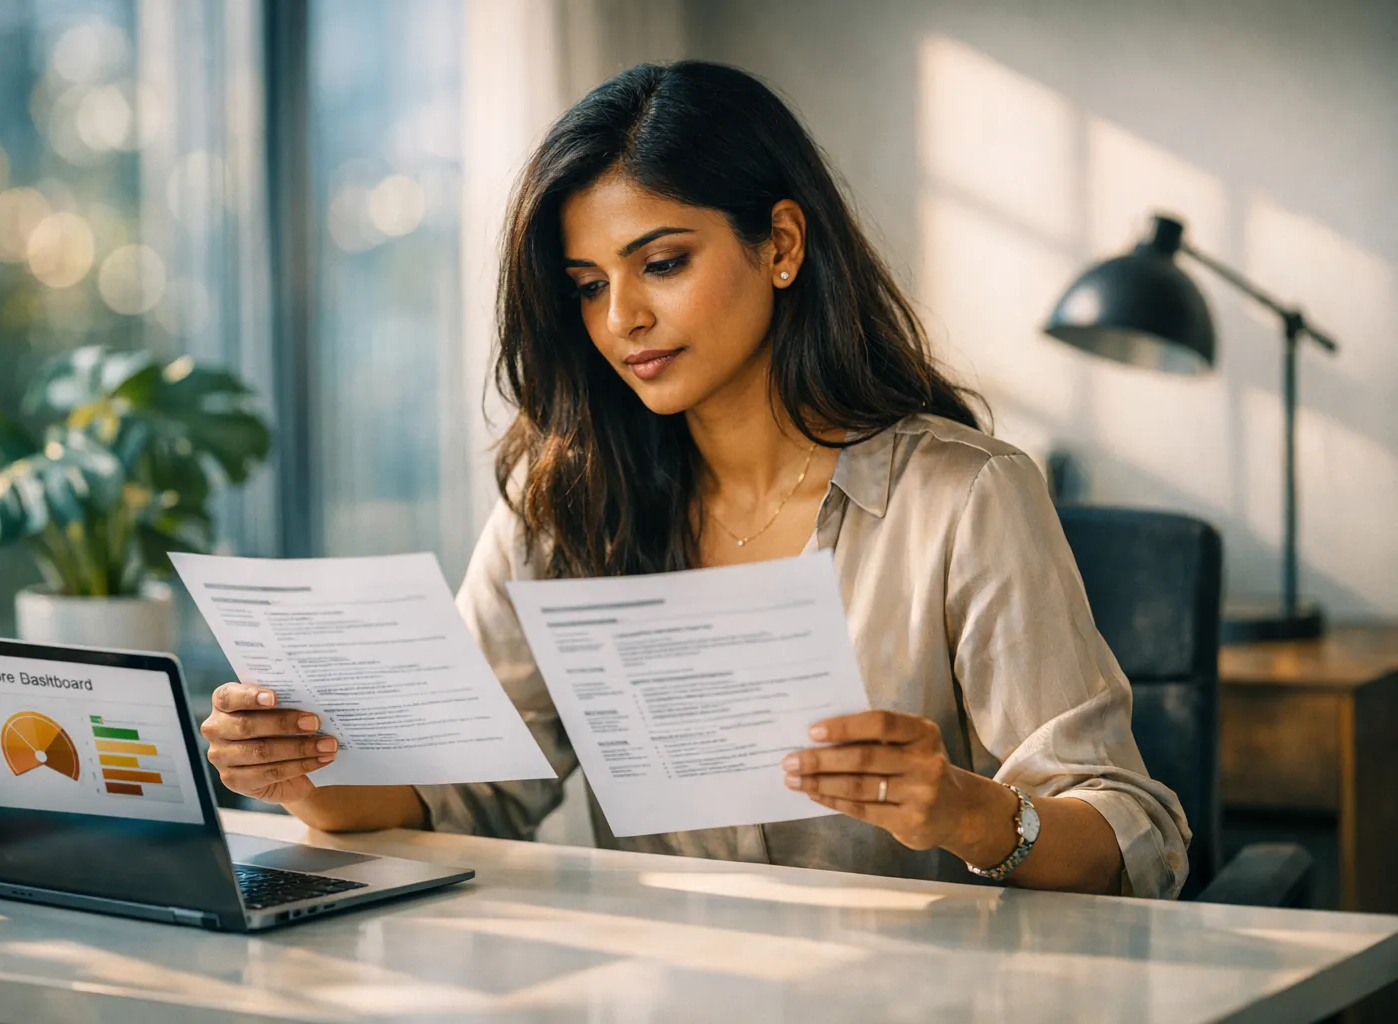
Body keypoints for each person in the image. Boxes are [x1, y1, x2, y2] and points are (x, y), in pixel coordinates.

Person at [202, 61, 1189, 898]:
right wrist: (307, 774)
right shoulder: (561, 507)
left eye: (661, 262)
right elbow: (468, 792)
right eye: (588, 285)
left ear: (784, 245)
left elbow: (1137, 835)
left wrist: (971, 811)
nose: (620, 316)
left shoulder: (964, 497)